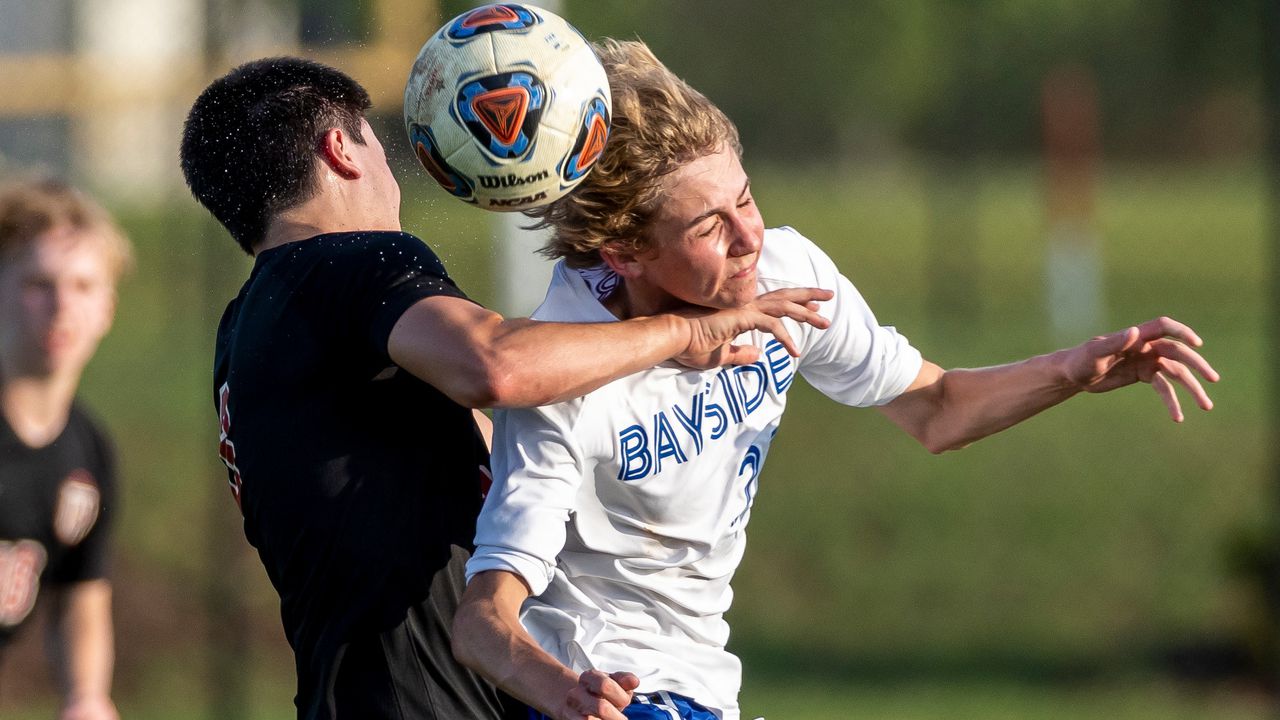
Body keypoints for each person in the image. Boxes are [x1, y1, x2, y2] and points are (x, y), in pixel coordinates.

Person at [452, 39, 1221, 720]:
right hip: (613, 684)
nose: (750, 235)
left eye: (744, 197)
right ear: (622, 253)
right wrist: (563, 693)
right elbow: (485, 621)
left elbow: (935, 409)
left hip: (702, 683)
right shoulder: (567, 374)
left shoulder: (787, 274)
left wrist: (1070, 370)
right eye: (709, 227)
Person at [177, 56, 831, 720]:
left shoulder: (250, 328)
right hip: (421, 702)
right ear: (341, 149)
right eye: (374, 137)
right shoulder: (353, 260)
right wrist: (680, 333)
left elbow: (485, 457)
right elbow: (499, 367)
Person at [0, 178, 132, 720]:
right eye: (38, 283)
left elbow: (81, 594)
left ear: (107, 307)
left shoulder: (88, 451)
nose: (61, 307)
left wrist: (86, 697)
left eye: (82, 286)